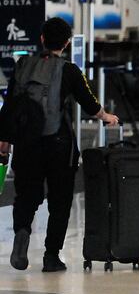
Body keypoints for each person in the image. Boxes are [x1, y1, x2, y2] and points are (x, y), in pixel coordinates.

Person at [0, 17, 119, 272]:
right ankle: (51, 256)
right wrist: (106, 117)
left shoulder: (22, 65)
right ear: (66, 43)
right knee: (60, 200)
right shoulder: (69, 69)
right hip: (58, 144)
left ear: (41, 39)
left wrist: (5, 140)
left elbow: (10, 105)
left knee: (26, 195)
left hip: (26, 143)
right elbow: (89, 103)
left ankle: (22, 232)